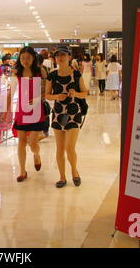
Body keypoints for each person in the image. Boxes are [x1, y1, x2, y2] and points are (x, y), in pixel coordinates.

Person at [2, 47, 47, 182]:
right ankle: (22, 171)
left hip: (36, 111)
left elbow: (48, 91)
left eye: (28, 58)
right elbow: (11, 93)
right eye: (22, 58)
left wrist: (39, 98)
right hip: (22, 111)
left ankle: (37, 154)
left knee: (33, 144)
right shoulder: (17, 74)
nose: (25, 61)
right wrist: (6, 111)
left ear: (33, 58)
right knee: (21, 142)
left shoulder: (40, 72)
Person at [45, 45, 88, 188]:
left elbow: (84, 93)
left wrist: (74, 94)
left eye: (63, 55)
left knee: (70, 148)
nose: (60, 58)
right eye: (57, 55)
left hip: (74, 114)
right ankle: (62, 177)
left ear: (69, 57)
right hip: (58, 114)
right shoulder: (52, 75)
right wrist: (57, 96)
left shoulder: (76, 74)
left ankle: (74, 171)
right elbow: (47, 95)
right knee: (59, 148)